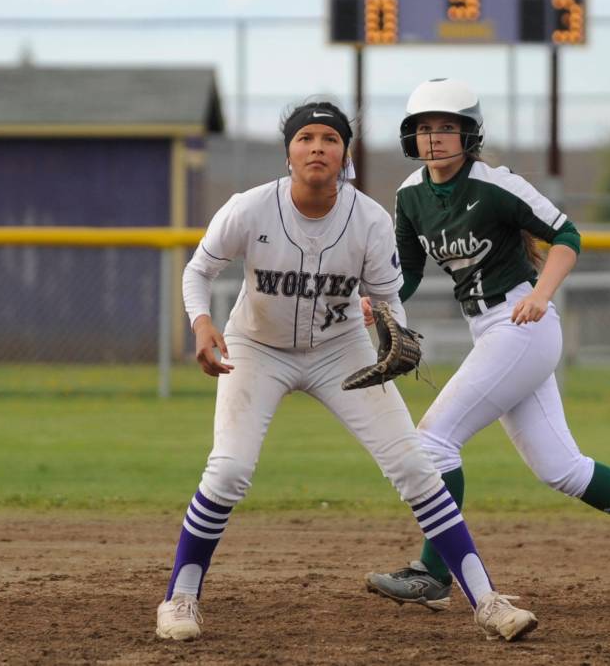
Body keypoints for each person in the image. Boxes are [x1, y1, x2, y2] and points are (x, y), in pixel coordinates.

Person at [155, 100, 538, 643]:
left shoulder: (369, 219)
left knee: (414, 465)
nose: (317, 148)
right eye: (306, 138)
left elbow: (388, 298)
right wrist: (200, 324)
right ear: (288, 152)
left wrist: (393, 334)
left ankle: (489, 602)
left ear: (344, 154)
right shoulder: (252, 207)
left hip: (341, 349)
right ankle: (179, 599)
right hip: (257, 347)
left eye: (329, 140)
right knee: (229, 470)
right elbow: (199, 269)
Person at [363, 79, 610, 611]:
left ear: (469, 134)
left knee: (432, 442)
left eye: (446, 127)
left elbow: (567, 235)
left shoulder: (496, 184)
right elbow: (407, 274)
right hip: (492, 331)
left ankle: (434, 574)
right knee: (562, 467)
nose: (434, 138)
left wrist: (543, 295)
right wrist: (380, 302)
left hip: (522, 322)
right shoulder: (411, 195)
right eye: (424, 128)